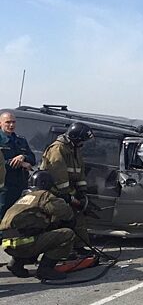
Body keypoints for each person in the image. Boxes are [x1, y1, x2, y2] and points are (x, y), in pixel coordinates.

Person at [0, 171, 75, 280]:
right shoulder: (43, 195)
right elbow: (62, 211)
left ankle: (16, 263)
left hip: (8, 245)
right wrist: (70, 219)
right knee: (68, 234)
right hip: (26, 244)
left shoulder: (24, 197)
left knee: (35, 232)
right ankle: (46, 269)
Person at [39, 122, 94, 256]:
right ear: (75, 137)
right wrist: (67, 195)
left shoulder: (74, 148)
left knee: (78, 217)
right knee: (59, 221)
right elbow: (58, 174)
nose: (83, 143)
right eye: (82, 139)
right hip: (55, 192)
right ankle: (56, 252)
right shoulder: (58, 149)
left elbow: (79, 171)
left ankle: (79, 247)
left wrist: (82, 191)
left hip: (69, 190)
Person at [0, 112, 36, 219]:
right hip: (4, 186)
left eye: (13, 122)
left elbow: (32, 159)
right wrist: (21, 164)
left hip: (20, 185)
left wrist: (23, 157)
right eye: (8, 122)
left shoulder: (21, 140)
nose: (11, 125)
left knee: (16, 216)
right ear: (0, 123)